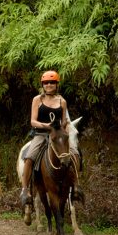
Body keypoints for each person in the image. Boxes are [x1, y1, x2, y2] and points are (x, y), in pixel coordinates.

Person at [19, 70, 82, 206]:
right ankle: (24, 190)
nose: (49, 85)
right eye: (46, 82)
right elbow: (33, 121)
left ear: (56, 84)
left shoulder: (62, 101)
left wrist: (64, 132)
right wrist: (47, 126)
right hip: (41, 134)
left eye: (52, 82)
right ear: (42, 84)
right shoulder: (37, 99)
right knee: (30, 157)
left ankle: (77, 186)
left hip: (58, 135)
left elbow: (64, 121)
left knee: (75, 153)